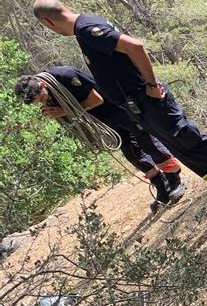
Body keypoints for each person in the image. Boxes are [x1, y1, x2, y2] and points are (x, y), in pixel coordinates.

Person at [31, 0, 207, 218]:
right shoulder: (82, 31)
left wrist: (151, 85)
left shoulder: (87, 29)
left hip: (147, 99)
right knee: (182, 150)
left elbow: (135, 47)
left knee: (189, 140)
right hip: (136, 106)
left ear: (47, 22)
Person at [14, 66, 186, 209]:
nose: (43, 102)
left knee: (148, 144)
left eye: (42, 97)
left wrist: (67, 111)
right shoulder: (48, 94)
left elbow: (96, 99)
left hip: (118, 108)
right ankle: (162, 186)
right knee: (132, 154)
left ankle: (174, 177)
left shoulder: (65, 76)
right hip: (103, 120)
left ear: (42, 83)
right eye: (39, 102)